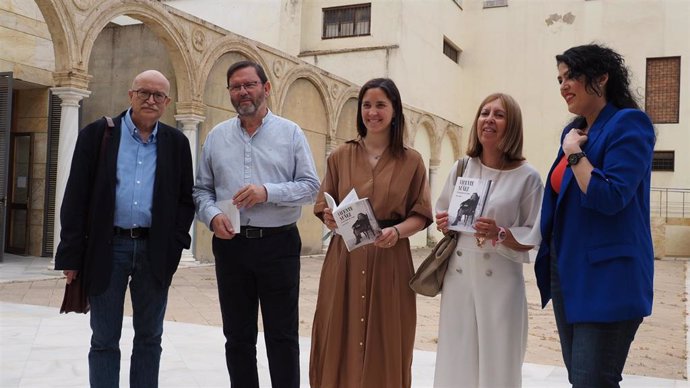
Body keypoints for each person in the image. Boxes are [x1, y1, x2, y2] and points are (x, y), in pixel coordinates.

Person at [54, 70, 195, 388]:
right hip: (108, 249)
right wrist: (71, 257)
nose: (151, 99)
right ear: (130, 95)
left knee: (150, 338)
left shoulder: (176, 143)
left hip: (155, 251)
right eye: (144, 92)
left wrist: (175, 244)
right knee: (104, 339)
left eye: (158, 95)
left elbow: (185, 200)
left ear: (167, 102)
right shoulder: (97, 135)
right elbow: (75, 197)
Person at [193, 60, 320, 388]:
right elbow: (201, 190)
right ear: (230, 93)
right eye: (236, 87)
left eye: (249, 84)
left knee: (282, 337)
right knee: (237, 337)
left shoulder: (290, 133)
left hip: (278, 245)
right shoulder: (216, 137)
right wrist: (212, 216)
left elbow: (310, 187)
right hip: (231, 246)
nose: (242, 92)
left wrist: (267, 192)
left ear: (266, 88)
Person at [535, 44, 655, 387]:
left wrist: (574, 154)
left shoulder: (629, 124)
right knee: (583, 380)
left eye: (572, 75)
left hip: (609, 276)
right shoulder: (572, 131)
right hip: (568, 271)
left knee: (593, 381)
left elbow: (611, 196)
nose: (563, 85)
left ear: (601, 78)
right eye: (559, 79)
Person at [309, 78, 433, 388]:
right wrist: (330, 219)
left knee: (388, 338)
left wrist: (396, 231)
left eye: (380, 105)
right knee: (340, 333)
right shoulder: (340, 156)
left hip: (391, 260)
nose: (372, 112)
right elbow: (326, 206)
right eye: (366, 105)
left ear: (394, 110)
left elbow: (421, 214)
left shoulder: (412, 160)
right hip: (345, 261)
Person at [434, 93, 544, 388]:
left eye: (499, 114)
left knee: (499, 360)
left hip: (501, 279)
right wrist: (443, 222)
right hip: (458, 278)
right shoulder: (461, 167)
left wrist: (501, 233)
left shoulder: (528, 177)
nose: (489, 120)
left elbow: (534, 233)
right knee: (456, 357)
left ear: (513, 125)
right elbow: (443, 210)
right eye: (484, 113)